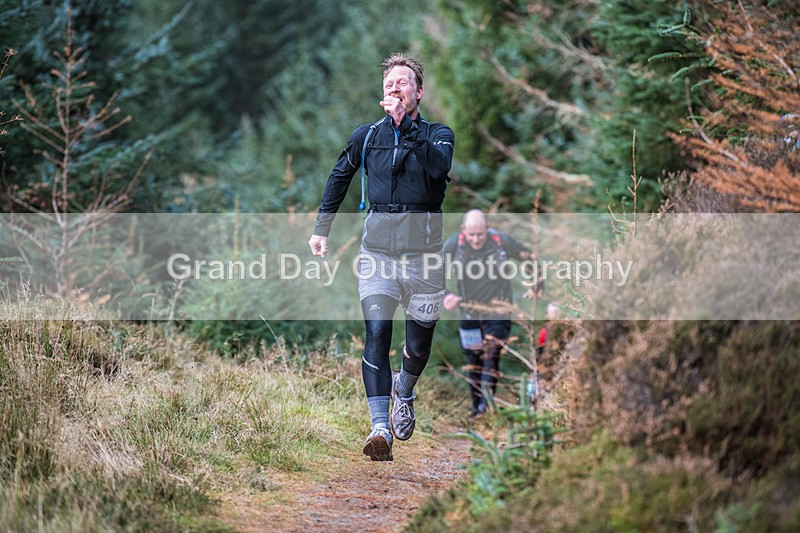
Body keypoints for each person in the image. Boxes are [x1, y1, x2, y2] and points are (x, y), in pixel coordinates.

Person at [308, 53, 454, 461]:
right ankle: (379, 428)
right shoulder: (367, 136)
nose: (395, 88)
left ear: (418, 92)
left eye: (404, 83)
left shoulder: (439, 134)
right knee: (376, 333)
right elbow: (339, 176)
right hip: (377, 256)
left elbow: (438, 169)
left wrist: (406, 125)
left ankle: (403, 391)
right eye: (390, 83)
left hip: (425, 257)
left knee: (419, 345)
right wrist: (321, 229)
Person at [442, 209, 542, 417]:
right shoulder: (454, 245)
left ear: (487, 229)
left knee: (491, 354)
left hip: (499, 309)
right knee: (473, 359)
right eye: (471, 234)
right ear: (463, 231)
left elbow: (529, 257)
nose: (476, 239)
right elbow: (433, 272)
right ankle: (476, 407)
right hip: (469, 311)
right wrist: (445, 294)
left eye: (480, 234)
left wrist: (536, 285)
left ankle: (487, 408)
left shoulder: (500, 242)